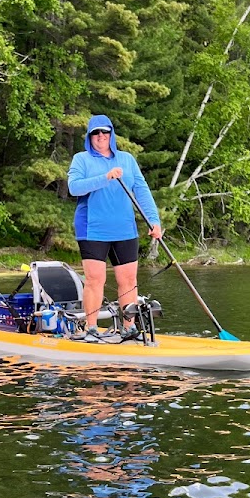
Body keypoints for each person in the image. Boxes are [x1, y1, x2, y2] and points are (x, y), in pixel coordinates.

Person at [67, 114, 162, 342]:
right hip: (92, 228)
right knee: (95, 279)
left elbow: (141, 190)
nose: (101, 137)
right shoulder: (81, 159)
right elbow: (74, 188)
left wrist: (154, 220)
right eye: (96, 133)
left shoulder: (127, 159)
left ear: (111, 134)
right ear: (90, 137)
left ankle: (128, 327)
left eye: (105, 132)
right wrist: (105, 177)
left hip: (124, 229)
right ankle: (91, 327)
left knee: (128, 280)